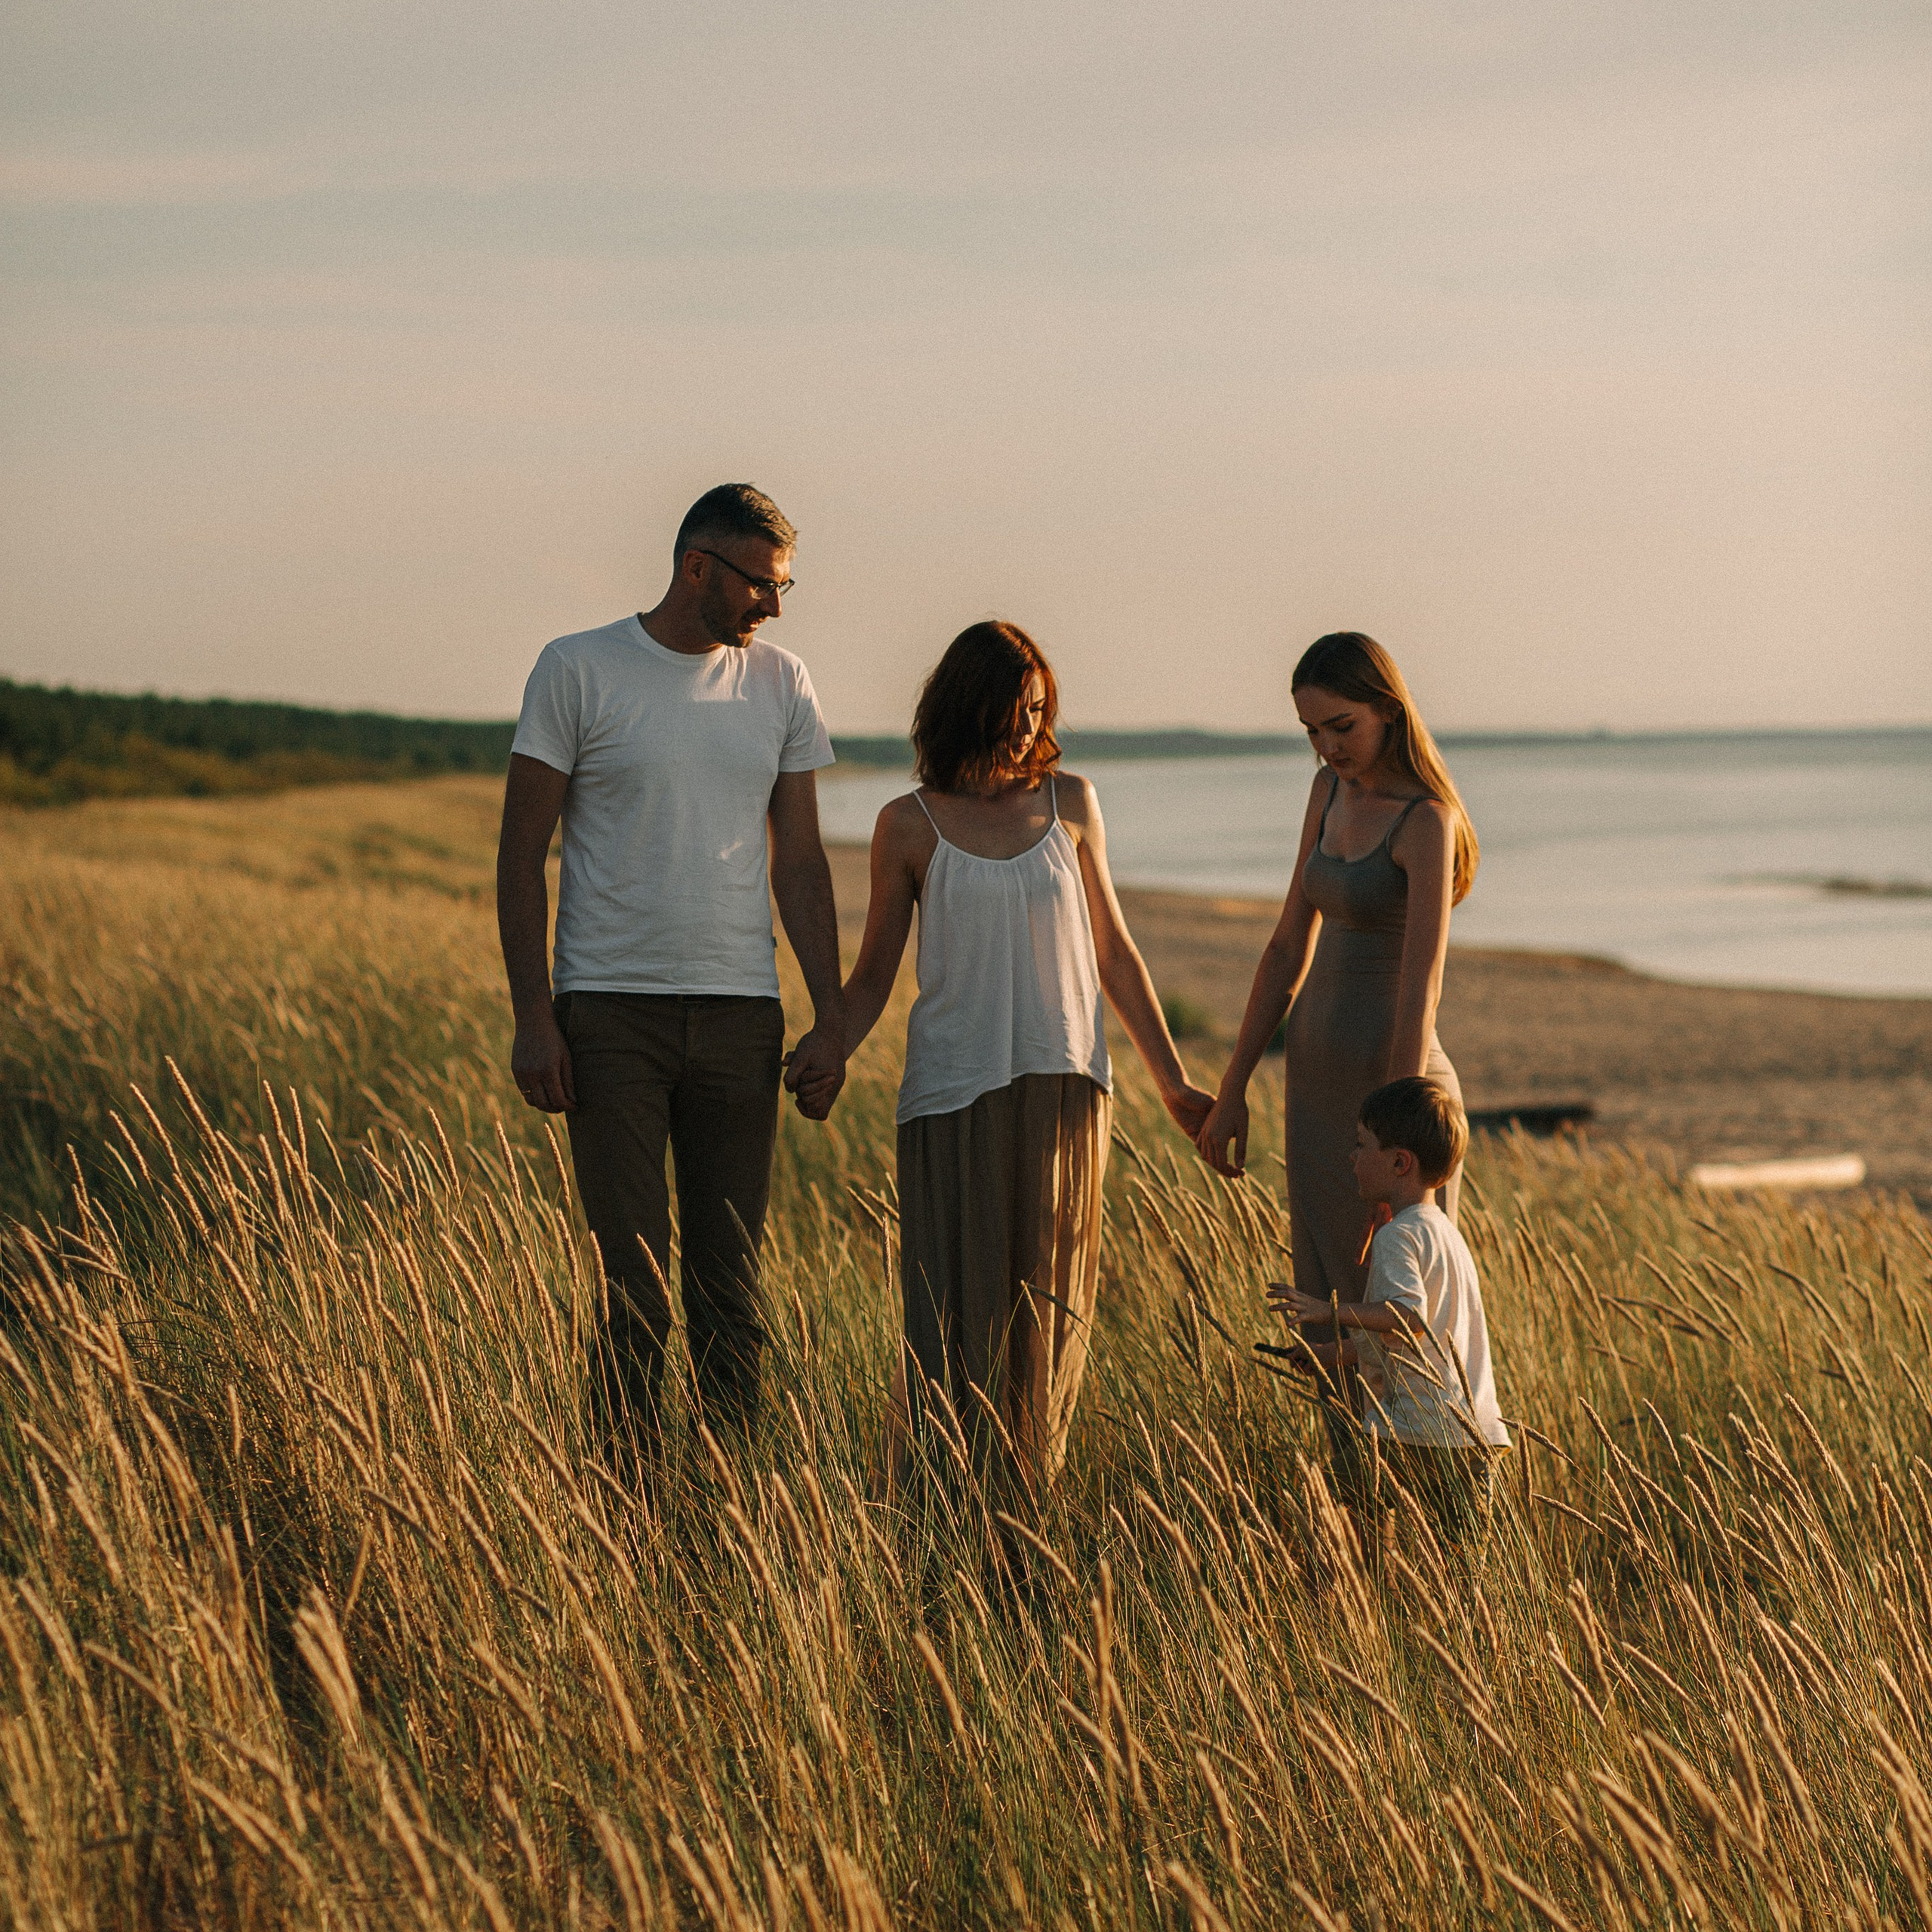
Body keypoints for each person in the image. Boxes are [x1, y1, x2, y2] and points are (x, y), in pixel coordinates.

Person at [496, 483, 846, 1457]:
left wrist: (833, 1020)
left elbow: (804, 861)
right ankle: (630, 1513)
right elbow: (521, 852)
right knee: (635, 1292)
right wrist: (537, 1018)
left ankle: (730, 1514)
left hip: (743, 1017)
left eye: (783, 586)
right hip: (610, 1018)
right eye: (760, 586)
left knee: (730, 1288)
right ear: (699, 567)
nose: (773, 607)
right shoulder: (576, 669)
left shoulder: (782, 681)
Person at [836, 621, 1214, 1491]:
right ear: (967, 707)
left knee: (1047, 1323)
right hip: (952, 1096)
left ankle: (1022, 1516)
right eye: (1011, 709)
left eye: (1039, 708)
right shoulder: (906, 824)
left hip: (1063, 1088)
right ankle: (933, 1511)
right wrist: (828, 1049)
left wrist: (1171, 1081)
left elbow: (1113, 951)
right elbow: (871, 981)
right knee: (950, 1324)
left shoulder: (1071, 803)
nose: (1025, 727)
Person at [1198, 632, 1478, 1355]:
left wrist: (1394, 1144)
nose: (1326, 747)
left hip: (1391, 1094)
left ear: (1388, 709)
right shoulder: (1325, 792)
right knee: (1324, 1306)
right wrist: (1233, 1090)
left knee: (1396, 1319)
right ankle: (1343, 1472)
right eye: (1311, 731)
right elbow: (1287, 946)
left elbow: (1420, 990)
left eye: (1341, 726)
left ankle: (1417, 1473)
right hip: (1315, 1091)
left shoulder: (1426, 821)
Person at [1270, 1077, 1510, 1558]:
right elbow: (1410, 1342)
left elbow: (1406, 1319)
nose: (1352, 1158)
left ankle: (1312, 1598)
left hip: (1416, 1435)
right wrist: (1323, 1354)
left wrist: (1327, 1310)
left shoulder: (1397, 1236)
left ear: (1400, 1163)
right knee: (1463, 1574)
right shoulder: (1447, 1235)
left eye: (1363, 1146)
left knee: (1312, 1508)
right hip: (1475, 1439)